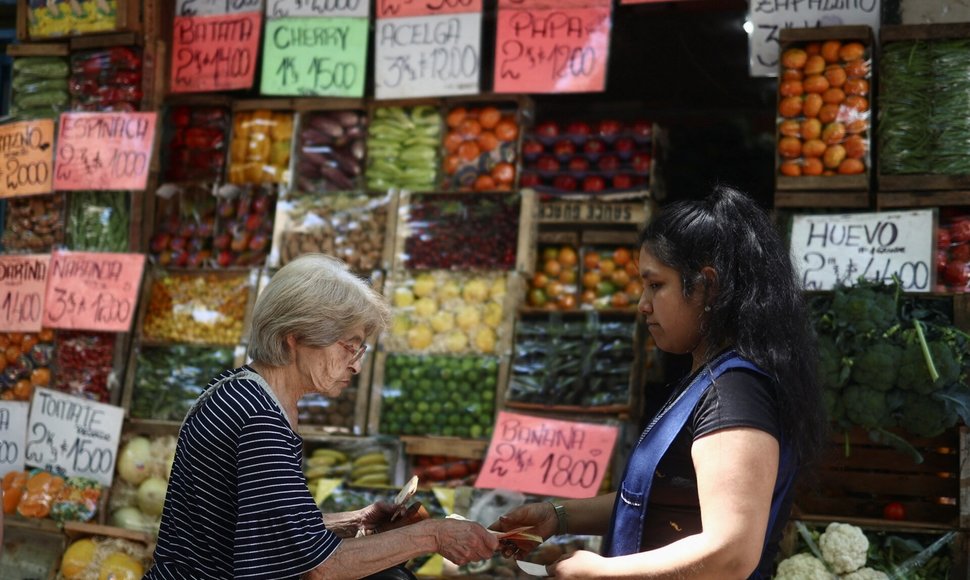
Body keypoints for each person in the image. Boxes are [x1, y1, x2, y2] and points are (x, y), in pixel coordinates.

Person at [492, 186, 826, 579]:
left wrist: (601, 573)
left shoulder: (736, 394)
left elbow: (733, 551)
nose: (642, 304)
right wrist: (558, 516)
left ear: (707, 286)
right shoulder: (711, 377)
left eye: (656, 285)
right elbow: (660, 496)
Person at [146, 254, 498, 580]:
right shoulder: (259, 419)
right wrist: (432, 535)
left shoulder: (239, 388)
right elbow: (319, 568)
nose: (357, 364)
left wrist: (351, 521)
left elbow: (263, 525)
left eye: (361, 349)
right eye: (349, 346)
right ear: (295, 337)